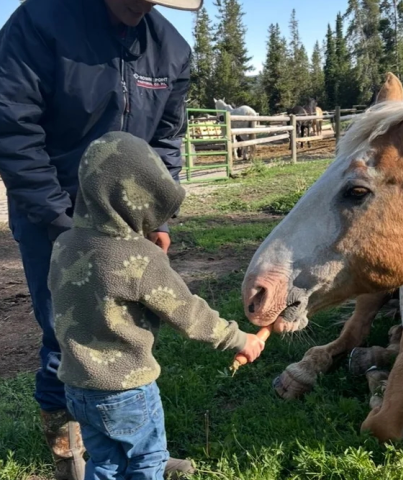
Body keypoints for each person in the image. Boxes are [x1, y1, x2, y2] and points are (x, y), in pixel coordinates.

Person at [0, 0, 204, 477]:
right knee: (66, 333)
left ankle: (131, 443)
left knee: (127, 329)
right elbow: (14, 131)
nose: (141, 6)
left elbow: (166, 142)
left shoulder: (170, 49)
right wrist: (66, 228)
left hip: (130, 224)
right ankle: (70, 457)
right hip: (53, 215)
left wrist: (157, 219)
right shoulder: (40, 23)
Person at [49, 131, 266, 479]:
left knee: (104, 463)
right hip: (126, 390)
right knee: (146, 460)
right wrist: (241, 339)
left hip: (78, 386)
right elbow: (189, 314)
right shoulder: (139, 257)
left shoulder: (64, 244)